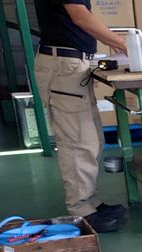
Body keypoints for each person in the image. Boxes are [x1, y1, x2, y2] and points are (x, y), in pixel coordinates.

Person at [33, 0, 129, 232]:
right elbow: (80, 16)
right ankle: (80, 209)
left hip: (72, 64)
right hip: (63, 66)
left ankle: (90, 202)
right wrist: (123, 44)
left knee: (91, 138)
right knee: (77, 141)